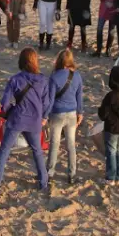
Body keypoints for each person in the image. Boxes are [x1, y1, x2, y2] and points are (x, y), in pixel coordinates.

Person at [0, 48, 50, 192]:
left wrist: (9, 110)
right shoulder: (43, 80)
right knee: (37, 151)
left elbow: (4, 103)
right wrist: (44, 117)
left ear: (21, 61)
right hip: (34, 120)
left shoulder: (15, 79)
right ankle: (43, 183)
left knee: (4, 150)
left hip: (17, 119)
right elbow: (47, 103)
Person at [45, 49, 84, 184]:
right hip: (72, 113)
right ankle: (72, 174)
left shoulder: (54, 76)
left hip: (57, 113)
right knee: (71, 145)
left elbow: (49, 100)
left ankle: (49, 173)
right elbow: (79, 96)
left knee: (54, 144)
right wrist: (80, 112)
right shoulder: (77, 76)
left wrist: (45, 115)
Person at [98, 65, 119, 185]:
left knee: (111, 152)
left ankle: (110, 177)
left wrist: (100, 111)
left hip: (112, 128)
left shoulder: (111, 96)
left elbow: (103, 114)